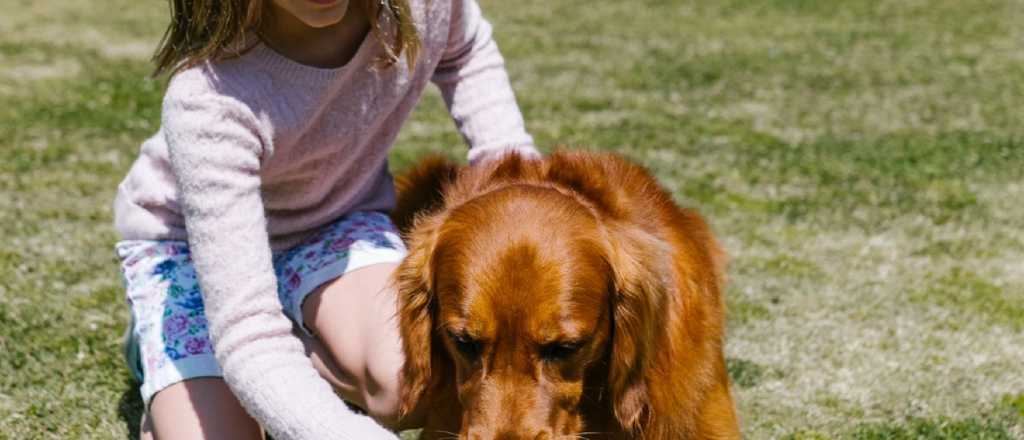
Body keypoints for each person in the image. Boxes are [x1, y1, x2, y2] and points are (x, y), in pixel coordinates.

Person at [112, 0, 537, 438]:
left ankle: (292, 347)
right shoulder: (208, 100)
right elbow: (248, 334)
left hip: (335, 221)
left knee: (409, 383)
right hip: (194, 254)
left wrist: (513, 175)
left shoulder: (423, 7)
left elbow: (464, 48)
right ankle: (165, 359)